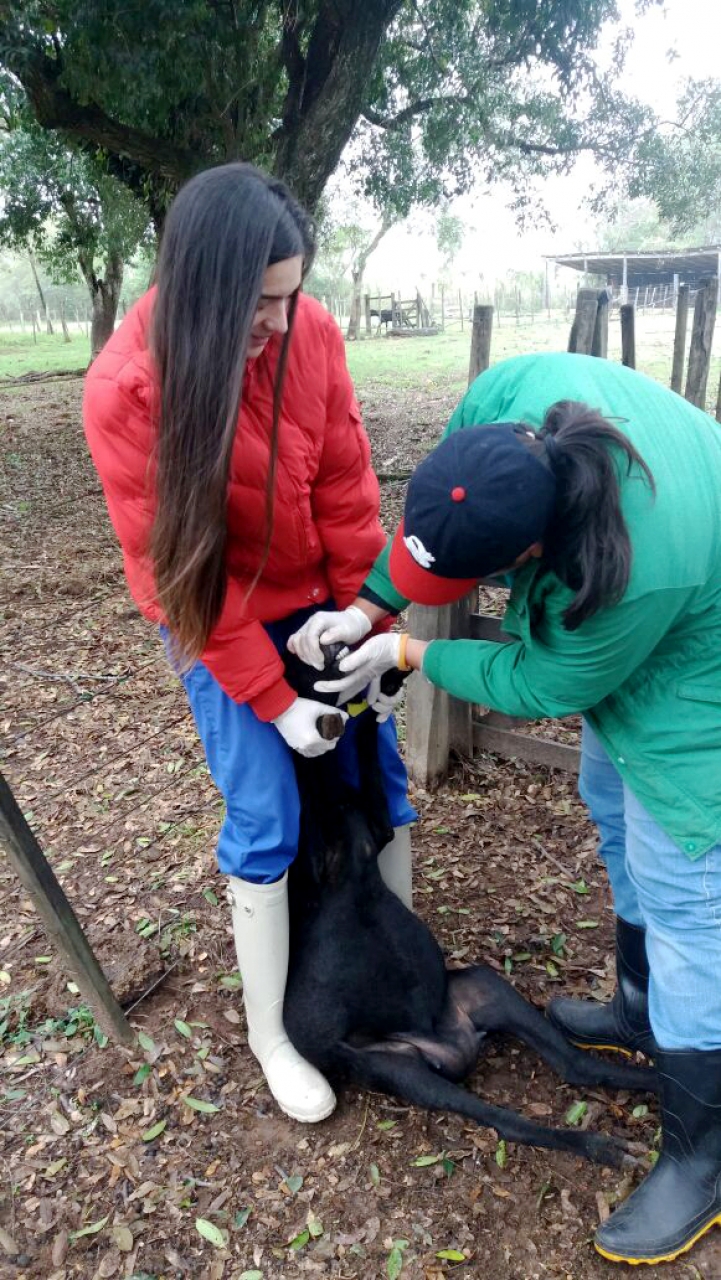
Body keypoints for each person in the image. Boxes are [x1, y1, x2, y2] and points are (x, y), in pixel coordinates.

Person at [288, 351, 721, 1265]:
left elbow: (538, 676)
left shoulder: (630, 574)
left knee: (685, 886)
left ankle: (702, 1160)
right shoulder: (507, 398)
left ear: (531, 555)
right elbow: (438, 526)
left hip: (700, 652)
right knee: (608, 798)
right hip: (642, 603)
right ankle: (643, 1012)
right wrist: (369, 607)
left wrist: (407, 656)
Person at [82, 163, 415, 1126]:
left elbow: (348, 495)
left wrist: (375, 632)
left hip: (321, 599)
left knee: (379, 772)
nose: (280, 317)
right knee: (266, 807)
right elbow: (178, 576)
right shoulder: (129, 389)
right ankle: (272, 1030)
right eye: (261, 299)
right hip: (210, 610)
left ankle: (390, 942)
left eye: (293, 292)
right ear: (205, 287)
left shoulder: (310, 334)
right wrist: (272, 700)